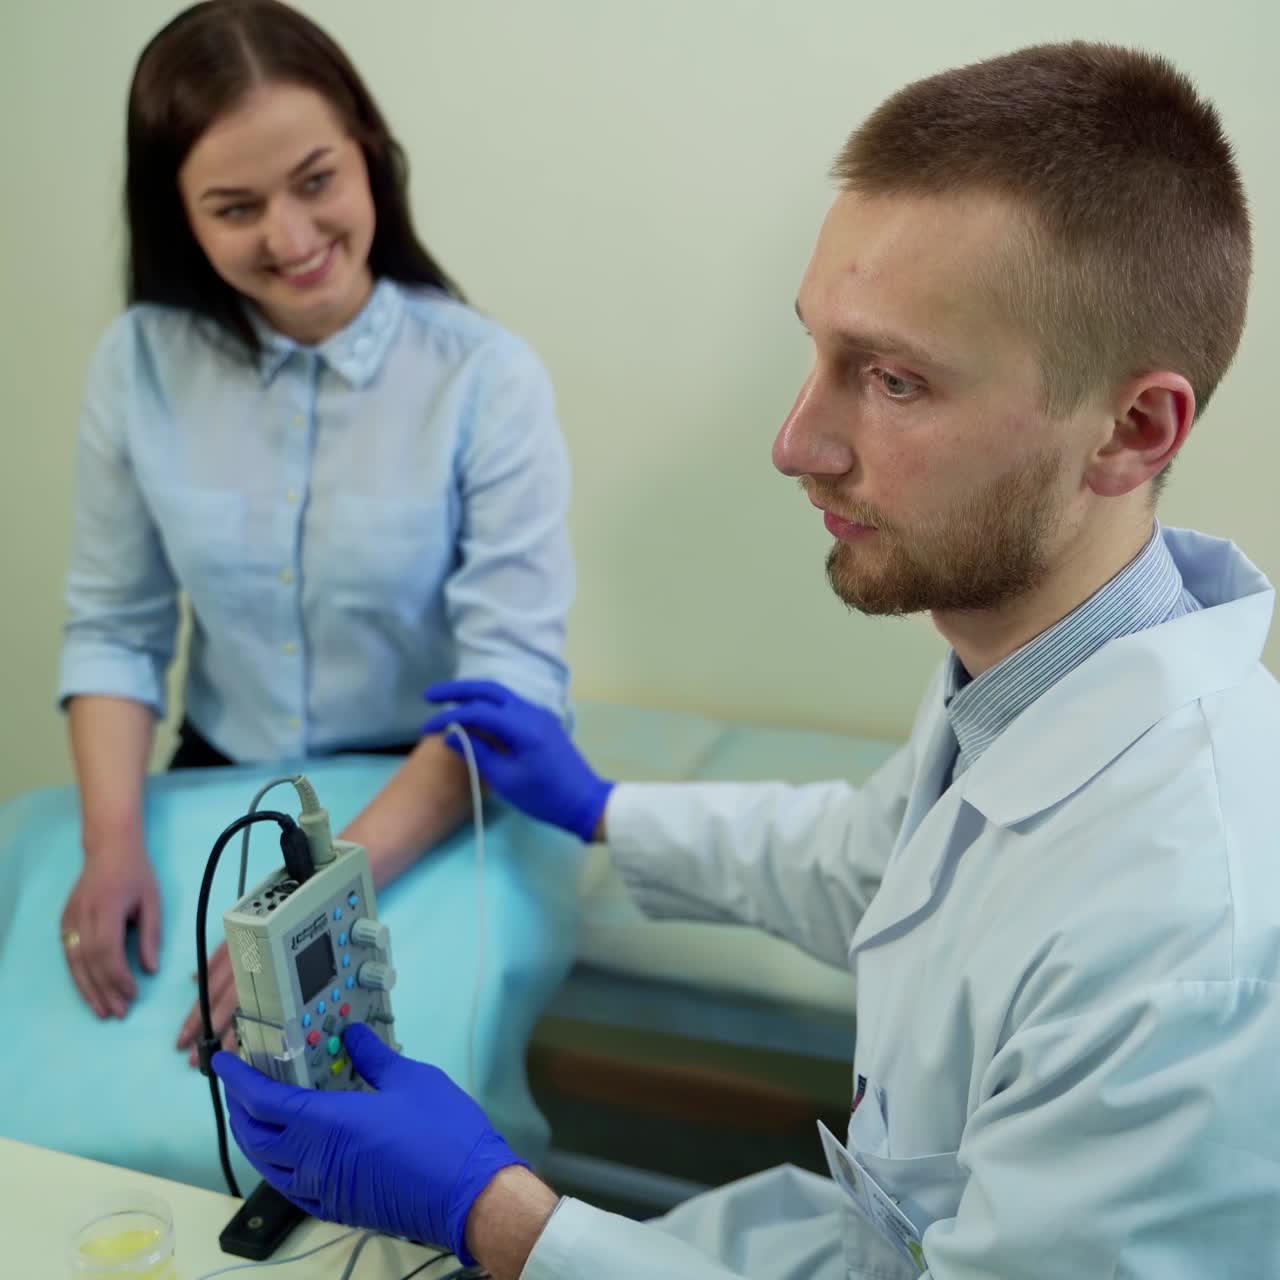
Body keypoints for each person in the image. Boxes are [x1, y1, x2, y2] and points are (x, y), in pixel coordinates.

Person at [213, 40, 1280, 1280]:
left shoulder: (1187, 939)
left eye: (891, 379)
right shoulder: (1032, 668)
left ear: (1130, 428)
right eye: (816, 349)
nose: (794, 441)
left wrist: (498, 1215)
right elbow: (871, 867)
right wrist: (601, 807)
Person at [56, 0, 574, 1068]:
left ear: (370, 159)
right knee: (122, 1067)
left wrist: (312, 902)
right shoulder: (139, 362)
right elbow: (114, 626)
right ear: (180, 215)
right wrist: (110, 845)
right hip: (220, 784)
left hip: (428, 797)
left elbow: (511, 682)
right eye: (234, 206)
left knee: (385, 1095)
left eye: (316, 182)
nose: (290, 239)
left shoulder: (483, 378)